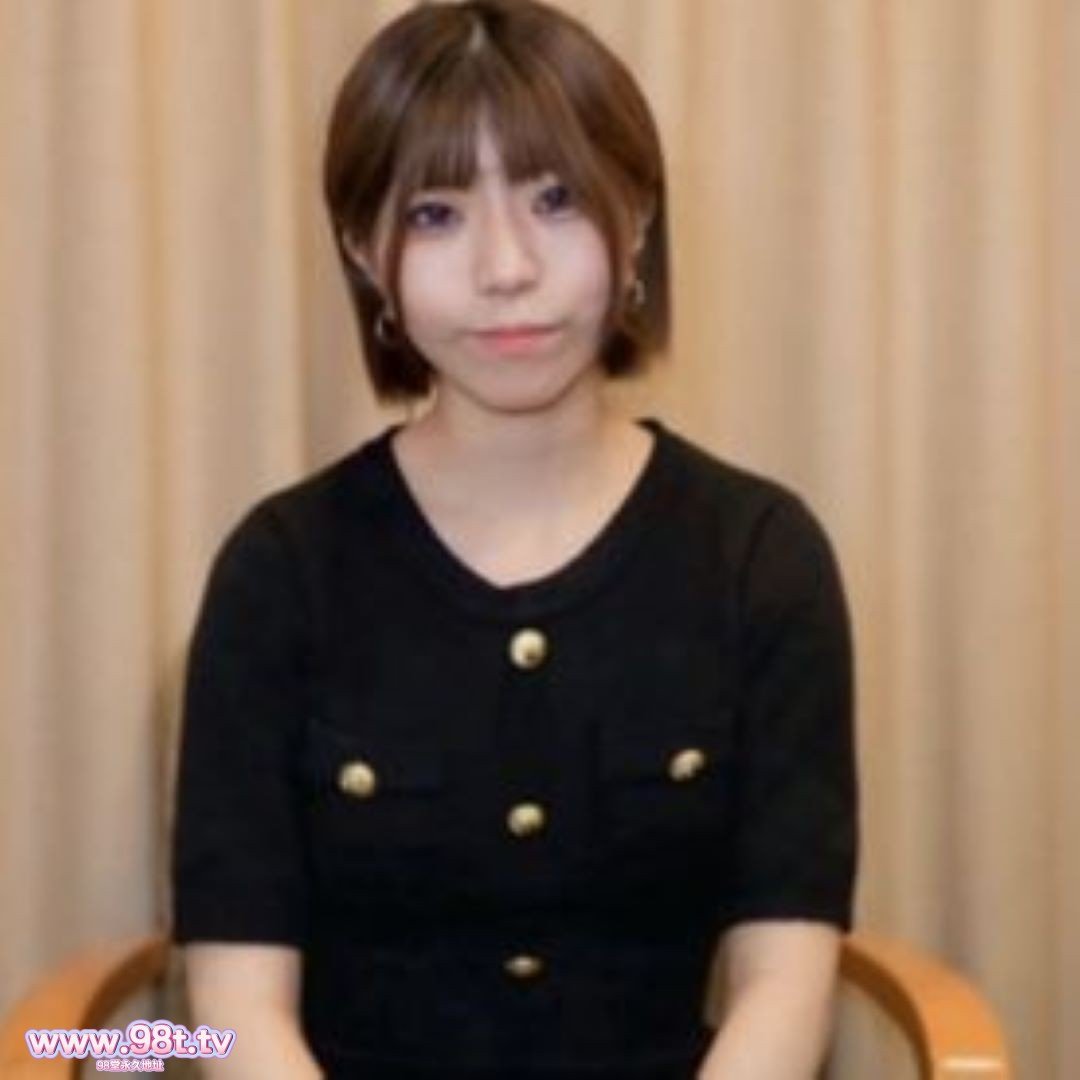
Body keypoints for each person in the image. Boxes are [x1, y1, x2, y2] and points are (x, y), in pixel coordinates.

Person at [169, 1, 859, 1078]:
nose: (505, 267)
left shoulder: (760, 556)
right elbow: (231, 1008)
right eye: (436, 215)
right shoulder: (280, 571)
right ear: (363, 251)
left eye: (556, 199)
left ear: (639, 217)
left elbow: (786, 980)